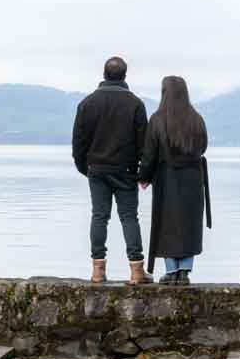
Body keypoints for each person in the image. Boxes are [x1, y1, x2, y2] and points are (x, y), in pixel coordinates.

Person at [72, 55, 149, 284]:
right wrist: (142, 172)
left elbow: (78, 142)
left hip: (96, 168)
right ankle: (136, 271)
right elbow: (144, 144)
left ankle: (98, 270)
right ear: (124, 76)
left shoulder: (87, 103)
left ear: (104, 74)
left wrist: (84, 167)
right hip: (126, 170)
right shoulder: (136, 104)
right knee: (129, 218)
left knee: (99, 216)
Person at [138, 74, 210, 284]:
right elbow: (203, 147)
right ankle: (185, 271)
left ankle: (171, 271)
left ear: (164, 93)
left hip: (166, 178)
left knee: (167, 222)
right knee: (189, 222)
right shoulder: (197, 118)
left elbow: (149, 153)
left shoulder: (158, 119)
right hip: (193, 178)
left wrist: (144, 177)